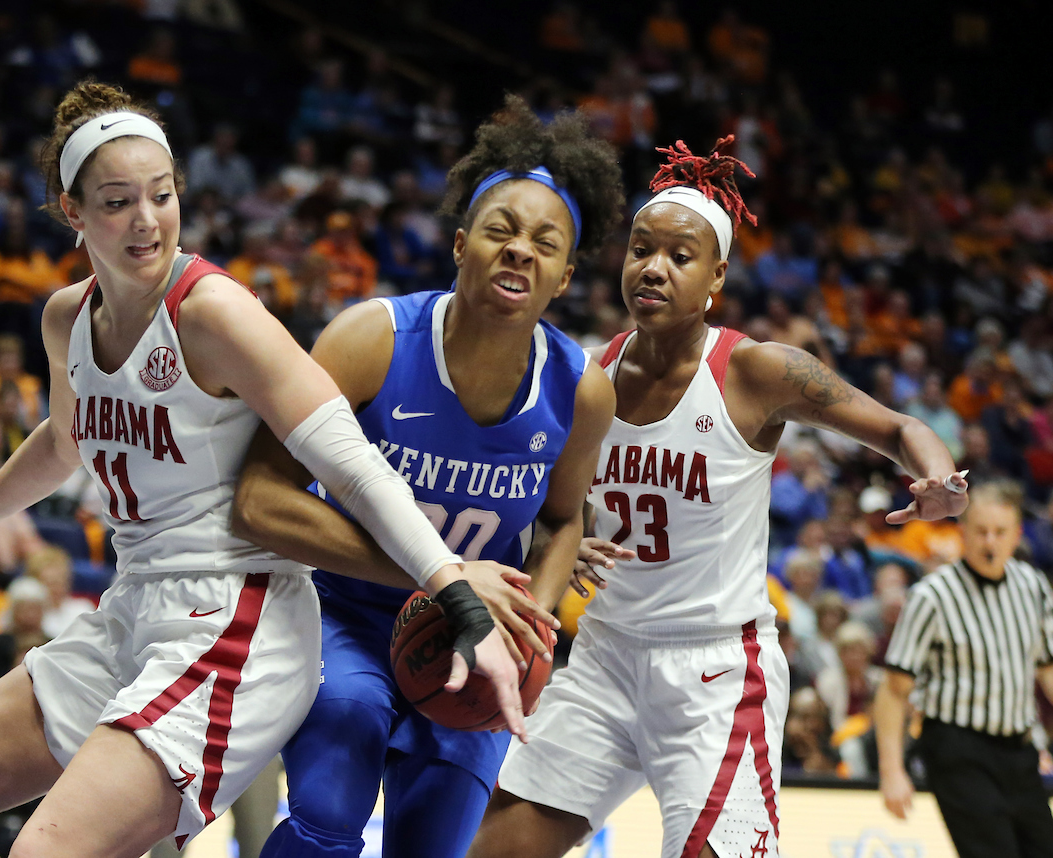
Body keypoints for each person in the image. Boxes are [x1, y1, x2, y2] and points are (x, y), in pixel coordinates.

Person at [0, 80, 527, 858]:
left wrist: (453, 590)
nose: (146, 219)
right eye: (117, 202)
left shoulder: (213, 312)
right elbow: (64, 441)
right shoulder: (65, 318)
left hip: (236, 617)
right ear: (72, 211)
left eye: (161, 194)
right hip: (133, 609)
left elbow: (350, 464)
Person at [467, 137, 969, 858]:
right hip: (606, 657)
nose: (654, 268)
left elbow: (899, 426)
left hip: (717, 673)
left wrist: (938, 480)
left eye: (679, 255)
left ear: (716, 275)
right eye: (642, 249)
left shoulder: (755, 370)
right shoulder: (589, 375)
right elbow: (553, 515)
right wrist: (559, 544)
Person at [241, 95, 622, 858]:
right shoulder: (370, 340)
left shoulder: (582, 390)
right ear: (459, 245)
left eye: (545, 243)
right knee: (323, 828)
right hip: (344, 617)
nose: (520, 250)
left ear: (565, 277)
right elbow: (257, 498)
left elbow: (563, 521)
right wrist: (443, 577)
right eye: (500, 231)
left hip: (477, 642)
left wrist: (530, 626)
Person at [876, 480, 1053, 858]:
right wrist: (891, 771)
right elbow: (894, 688)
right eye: (981, 531)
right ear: (963, 532)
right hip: (957, 748)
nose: (990, 542)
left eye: (1000, 532)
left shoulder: (1034, 587)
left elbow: (1047, 670)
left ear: (1017, 534)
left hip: (1019, 749)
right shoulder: (932, 595)